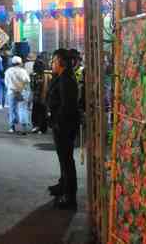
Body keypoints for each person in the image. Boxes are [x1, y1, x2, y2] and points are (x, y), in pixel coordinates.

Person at [47, 48, 80, 210]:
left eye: (54, 61)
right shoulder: (61, 77)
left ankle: (70, 195)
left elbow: (67, 106)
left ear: (61, 62)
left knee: (67, 160)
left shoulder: (66, 80)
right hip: (60, 124)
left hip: (65, 126)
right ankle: (63, 186)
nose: (52, 64)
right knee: (63, 159)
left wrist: (58, 122)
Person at [4, 55, 30, 134]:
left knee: (12, 109)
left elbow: (6, 82)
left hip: (11, 92)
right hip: (22, 91)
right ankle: (24, 127)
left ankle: (12, 127)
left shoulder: (8, 71)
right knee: (22, 108)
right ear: (20, 63)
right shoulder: (23, 71)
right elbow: (27, 80)